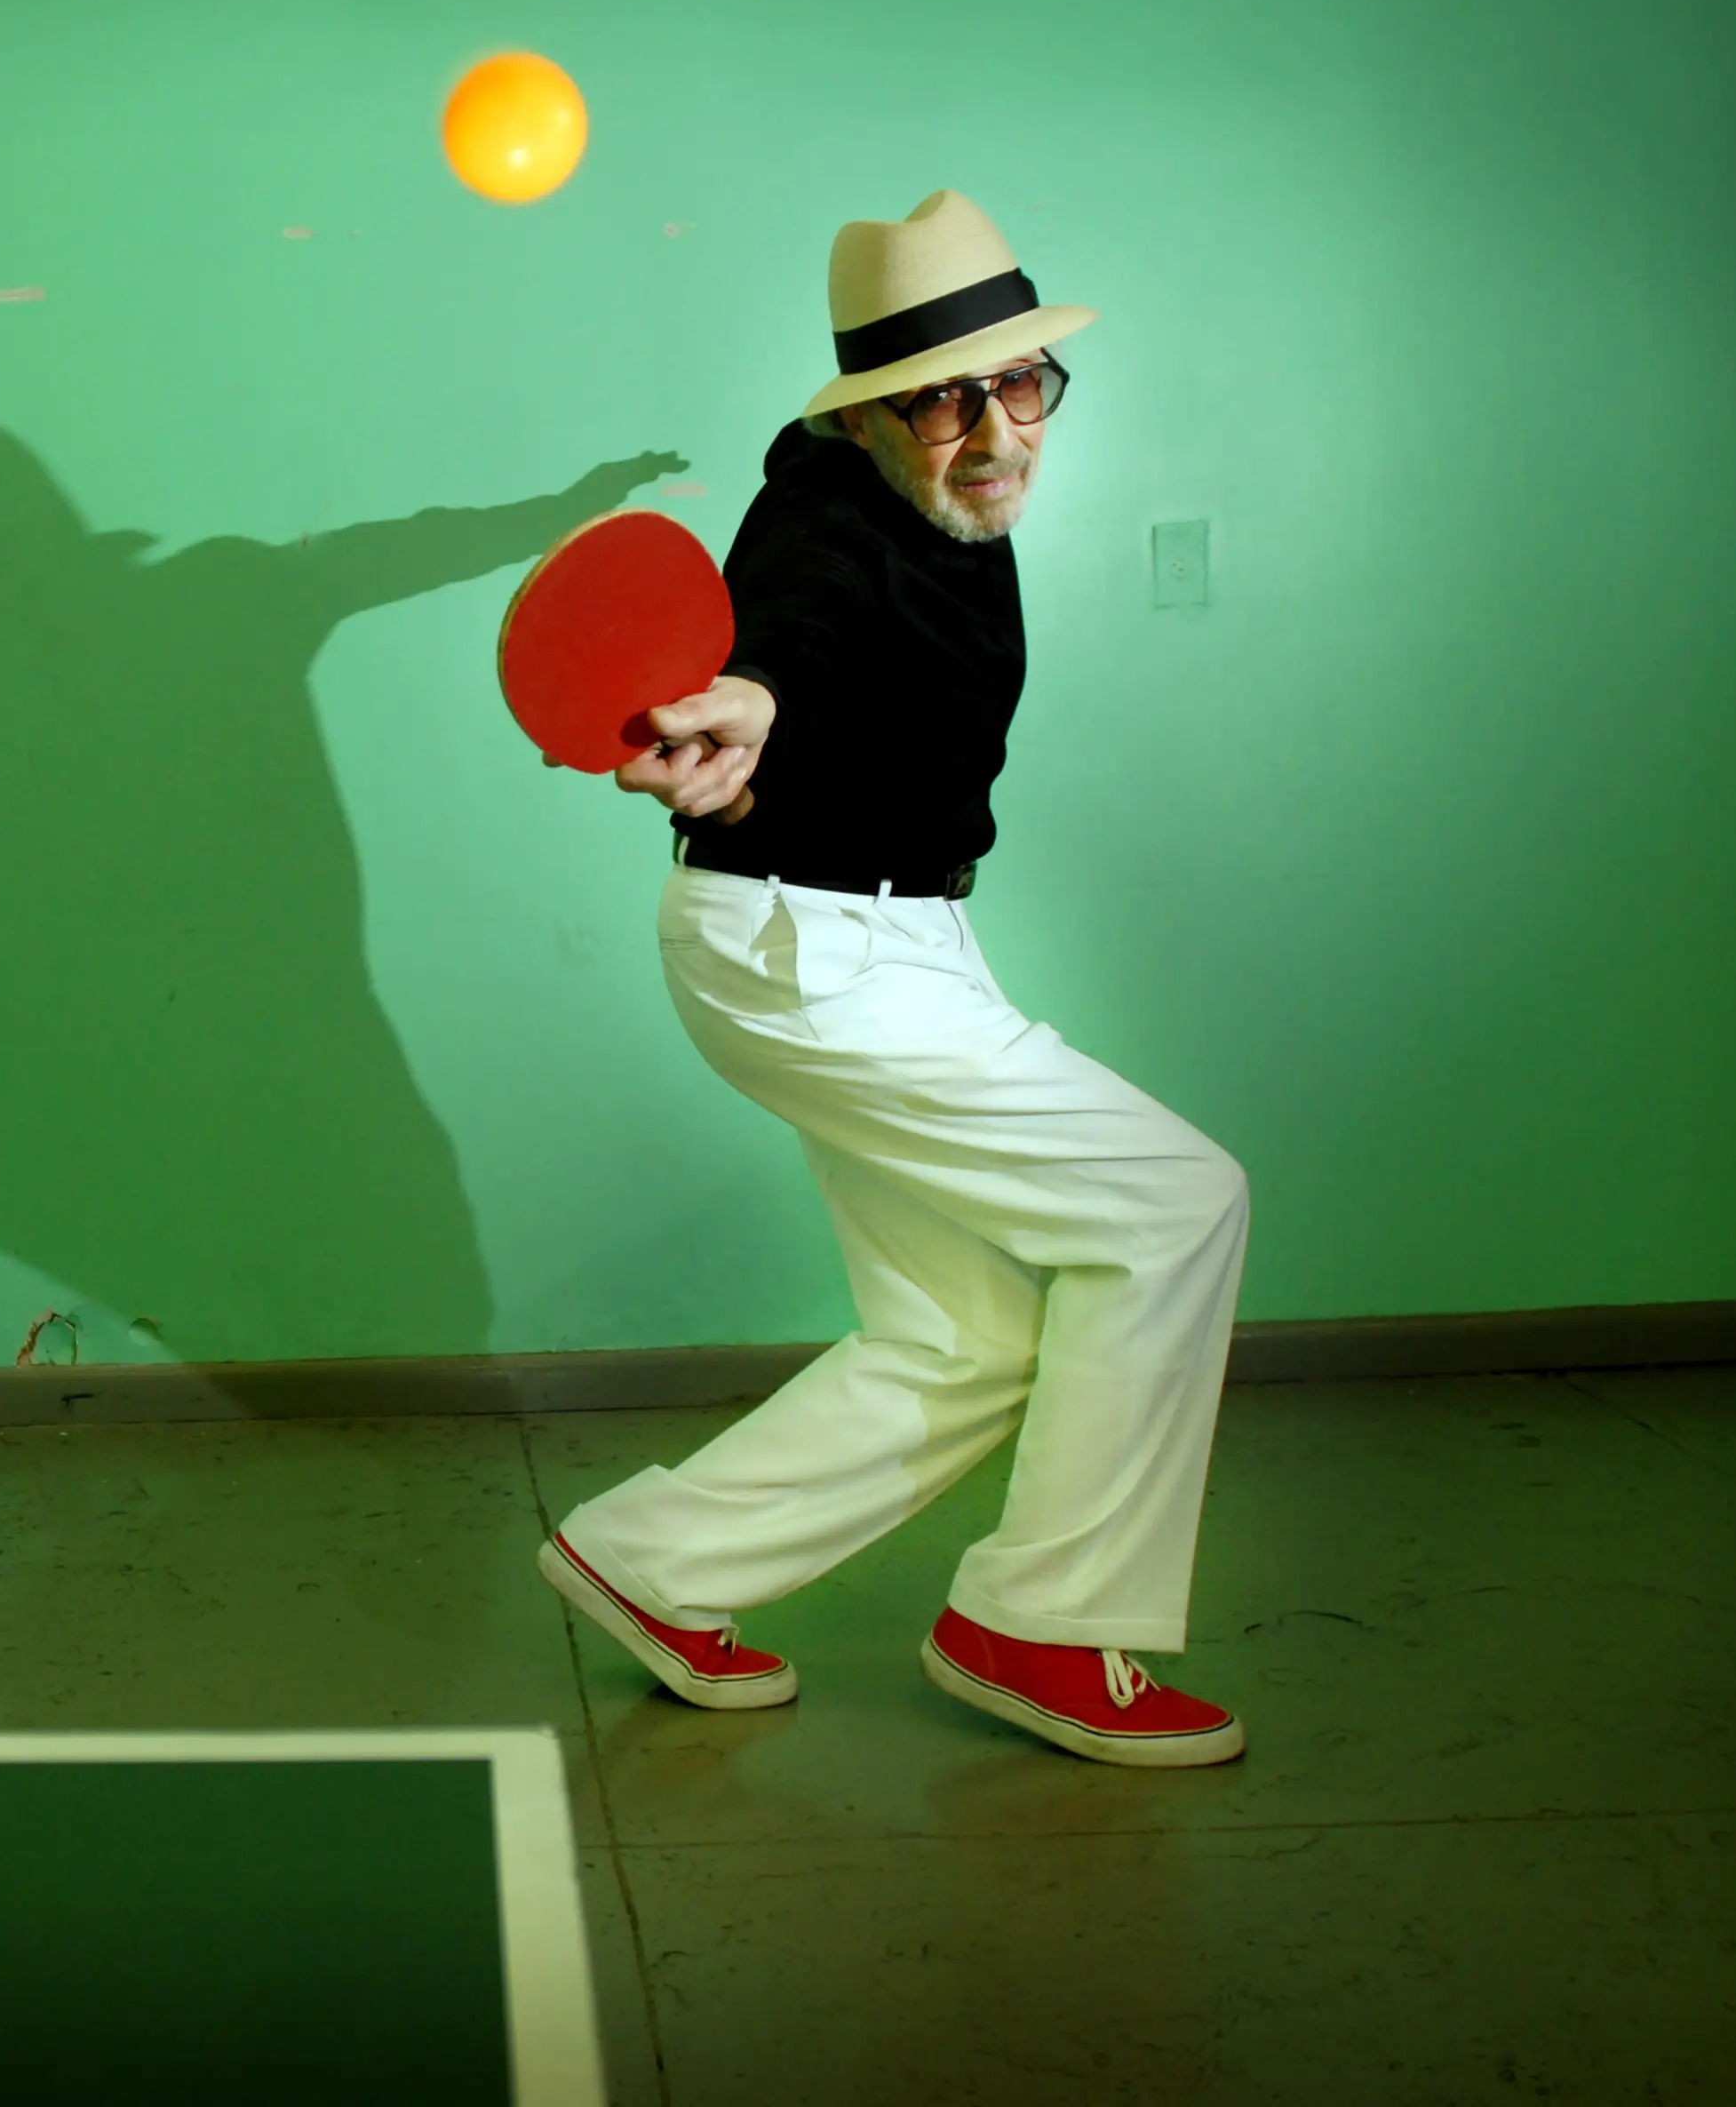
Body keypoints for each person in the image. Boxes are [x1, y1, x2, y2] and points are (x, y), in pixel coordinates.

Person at [534, 188, 1254, 1768]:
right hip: (816, 954)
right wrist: (744, 713)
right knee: (1179, 1206)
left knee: (963, 1335)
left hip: (879, 941)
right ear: (864, 414)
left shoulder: (950, 499)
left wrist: (770, 760)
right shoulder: (824, 515)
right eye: (942, 400)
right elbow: (784, 635)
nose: (992, 433)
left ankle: (655, 1563)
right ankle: (1041, 1624)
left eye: (1020, 385)